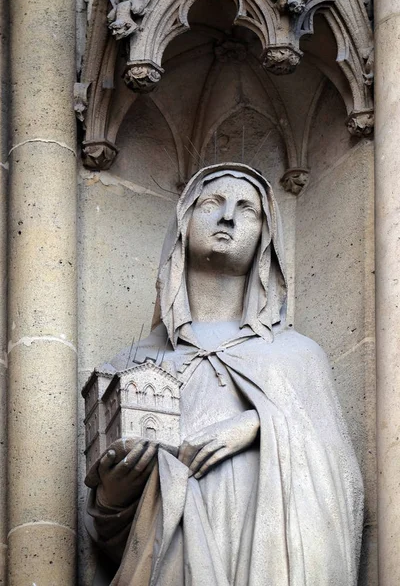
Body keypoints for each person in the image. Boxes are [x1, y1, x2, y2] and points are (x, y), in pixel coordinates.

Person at [86, 163, 363, 586]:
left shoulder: (298, 357)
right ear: (184, 224)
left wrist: (257, 425)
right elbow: (106, 537)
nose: (228, 217)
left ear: (264, 238)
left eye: (247, 209)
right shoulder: (127, 369)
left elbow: (342, 495)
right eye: (212, 203)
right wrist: (114, 493)